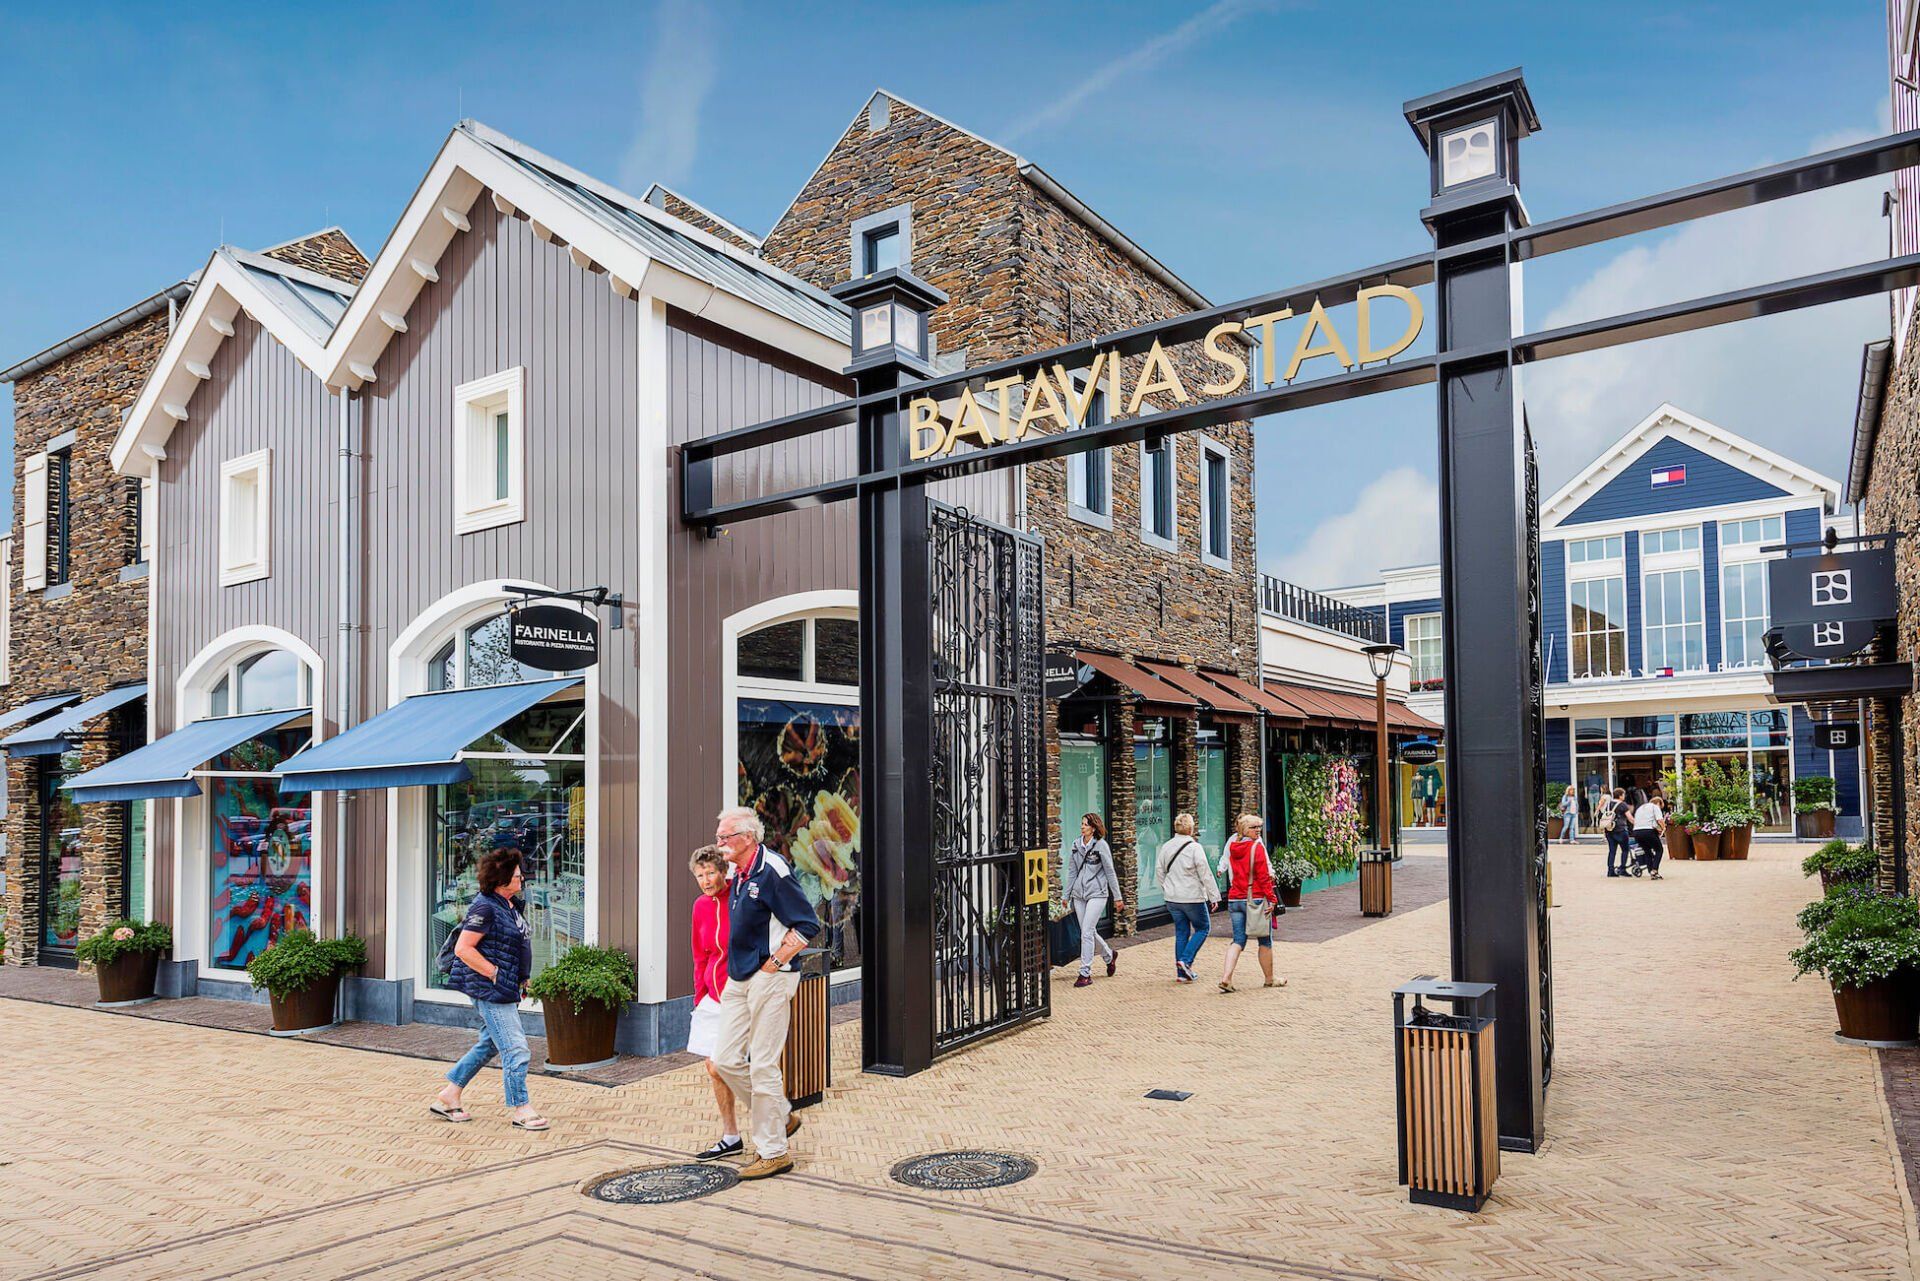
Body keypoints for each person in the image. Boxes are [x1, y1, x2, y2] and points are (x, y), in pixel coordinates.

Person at [710, 806, 821, 1180]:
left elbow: (807, 924)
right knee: (724, 1059)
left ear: (747, 838)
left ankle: (773, 1152)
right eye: (719, 836)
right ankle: (780, 1115)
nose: (719, 843)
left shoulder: (773, 871)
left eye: (725, 837)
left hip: (769, 978)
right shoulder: (738, 871)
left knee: (762, 1064)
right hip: (738, 977)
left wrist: (775, 962)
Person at [432, 849, 547, 1130]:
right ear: (502, 879)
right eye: (517, 873)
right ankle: (522, 1109)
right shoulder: (485, 907)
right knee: (516, 1047)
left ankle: (450, 1095)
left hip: (505, 987)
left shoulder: (509, 905)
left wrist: (523, 977)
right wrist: (495, 974)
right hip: (490, 990)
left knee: (490, 1044)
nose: (522, 877)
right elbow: (463, 948)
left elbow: (514, 945)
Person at [686, 845, 740, 1160]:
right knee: (713, 1067)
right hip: (712, 996)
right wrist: (700, 995)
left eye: (710, 873)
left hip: (741, 993)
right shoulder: (699, 907)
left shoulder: (740, 898)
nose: (706, 880)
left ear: (723, 871)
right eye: (700, 875)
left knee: (723, 1064)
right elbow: (700, 954)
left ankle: (774, 1121)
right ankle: (731, 1135)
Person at [1218, 814, 1284, 993]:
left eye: (1259, 827)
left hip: (1235, 898)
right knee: (1265, 939)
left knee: (1238, 940)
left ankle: (1226, 978)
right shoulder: (1257, 847)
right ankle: (1269, 979)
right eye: (1254, 827)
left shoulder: (1233, 846)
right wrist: (1272, 898)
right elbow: (1263, 877)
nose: (1258, 830)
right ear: (1245, 829)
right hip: (1254, 898)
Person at [1155, 813, 1218, 984]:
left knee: (1181, 932)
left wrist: (1167, 888)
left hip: (1173, 898)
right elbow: (1205, 873)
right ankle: (1186, 961)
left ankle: (1181, 974)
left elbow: (1159, 871)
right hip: (1192, 897)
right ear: (1191, 828)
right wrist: (1214, 896)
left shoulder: (1166, 846)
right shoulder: (1194, 848)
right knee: (1203, 928)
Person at [1064, 813, 1124, 988]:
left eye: (1085, 824)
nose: (1082, 827)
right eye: (1081, 824)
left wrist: (1118, 897)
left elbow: (1110, 872)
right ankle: (1109, 955)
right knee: (1087, 931)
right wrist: (1066, 895)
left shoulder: (1101, 846)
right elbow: (1072, 871)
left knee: (1087, 932)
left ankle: (1085, 973)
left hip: (1097, 893)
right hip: (1079, 895)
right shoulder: (1076, 845)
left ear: (1093, 828)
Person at [1629, 786, 1666, 881]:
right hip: (1648, 831)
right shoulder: (1655, 807)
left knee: (1647, 851)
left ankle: (1650, 871)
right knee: (1659, 850)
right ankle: (1654, 870)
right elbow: (1659, 820)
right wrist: (1663, 828)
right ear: (1659, 803)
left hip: (1637, 832)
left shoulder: (1641, 808)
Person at [1602, 786, 1635, 878]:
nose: (1624, 796)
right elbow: (1630, 818)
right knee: (1625, 850)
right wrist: (1637, 824)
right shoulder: (1623, 805)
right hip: (1621, 830)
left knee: (1612, 851)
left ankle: (1610, 871)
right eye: (1623, 794)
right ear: (1620, 795)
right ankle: (1622, 869)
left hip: (1609, 830)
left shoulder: (1608, 804)